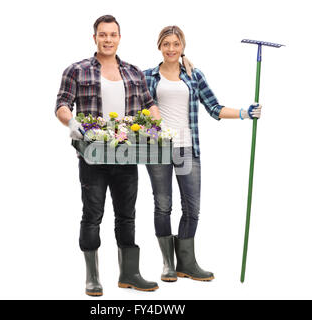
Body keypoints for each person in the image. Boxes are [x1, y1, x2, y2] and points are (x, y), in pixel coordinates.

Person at [144, 26, 262, 282]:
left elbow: (214, 107)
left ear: (182, 46)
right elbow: (135, 104)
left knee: (192, 208)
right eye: (166, 44)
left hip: (187, 148)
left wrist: (245, 112)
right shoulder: (148, 76)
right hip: (158, 150)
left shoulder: (194, 75)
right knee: (163, 206)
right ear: (159, 46)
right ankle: (168, 265)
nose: (171, 49)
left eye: (176, 44)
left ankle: (187, 263)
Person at [55, 15, 161, 296]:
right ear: (95, 38)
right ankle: (92, 276)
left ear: (119, 38)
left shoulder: (133, 72)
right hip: (93, 156)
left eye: (113, 35)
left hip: (127, 156)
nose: (108, 39)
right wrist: (72, 123)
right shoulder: (76, 70)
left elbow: (150, 104)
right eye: (103, 35)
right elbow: (62, 104)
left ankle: (130, 274)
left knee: (127, 216)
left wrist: (156, 127)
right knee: (92, 215)